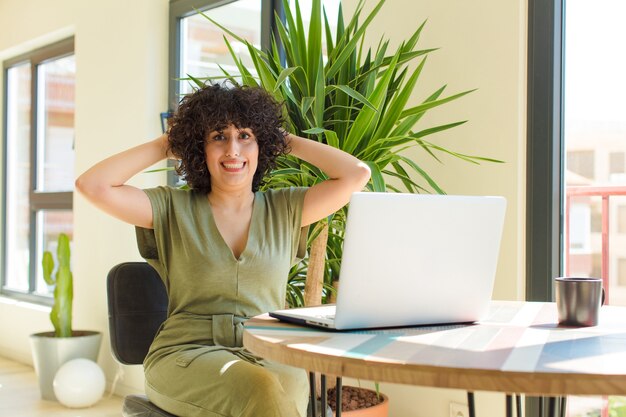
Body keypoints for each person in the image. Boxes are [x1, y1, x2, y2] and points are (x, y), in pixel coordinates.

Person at [76, 83, 371, 417]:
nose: (233, 150)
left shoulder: (287, 208)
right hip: (187, 355)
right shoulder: (170, 208)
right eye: (218, 136)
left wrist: (281, 139)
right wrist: (165, 144)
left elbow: (356, 174)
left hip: (267, 352)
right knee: (258, 388)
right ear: (199, 147)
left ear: (262, 145)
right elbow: (93, 185)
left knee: (272, 387)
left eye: (245, 136)